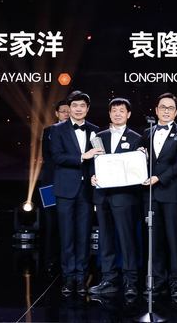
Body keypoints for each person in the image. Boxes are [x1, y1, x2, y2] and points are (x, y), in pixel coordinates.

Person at [49, 91, 103, 295]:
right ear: (69, 108)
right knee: (67, 235)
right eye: (75, 106)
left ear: (87, 109)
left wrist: (98, 173)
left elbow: (99, 158)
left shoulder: (95, 130)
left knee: (83, 235)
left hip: (87, 190)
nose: (78, 109)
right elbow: (57, 157)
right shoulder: (57, 129)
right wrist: (83, 156)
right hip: (65, 189)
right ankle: (68, 277)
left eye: (82, 106)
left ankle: (81, 277)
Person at [88, 98, 142, 298]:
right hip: (102, 196)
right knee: (105, 239)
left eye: (122, 110)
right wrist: (92, 176)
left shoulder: (137, 138)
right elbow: (93, 163)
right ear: (109, 114)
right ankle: (108, 279)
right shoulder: (98, 137)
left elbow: (137, 168)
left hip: (124, 197)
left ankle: (130, 281)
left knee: (127, 240)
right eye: (114, 110)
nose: (118, 114)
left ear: (128, 114)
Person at [142, 92, 177, 299]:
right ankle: (158, 280)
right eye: (162, 107)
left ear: (176, 112)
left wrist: (158, 178)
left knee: (174, 240)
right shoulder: (147, 132)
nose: (166, 111)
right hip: (151, 195)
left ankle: (176, 282)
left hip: (172, 192)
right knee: (154, 240)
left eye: (170, 108)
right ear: (156, 110)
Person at [40, 100, 70, 274]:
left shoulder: (77, 132)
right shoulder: (49, 131)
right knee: (51, 223)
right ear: (57, 114)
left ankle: (67, 260)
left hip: (72, 182)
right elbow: (47, 157)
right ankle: (50, 260)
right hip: (51, 182)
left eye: (68, 110)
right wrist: (62, 173)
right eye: (63, 111)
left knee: (70, 224)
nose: (66, 113)